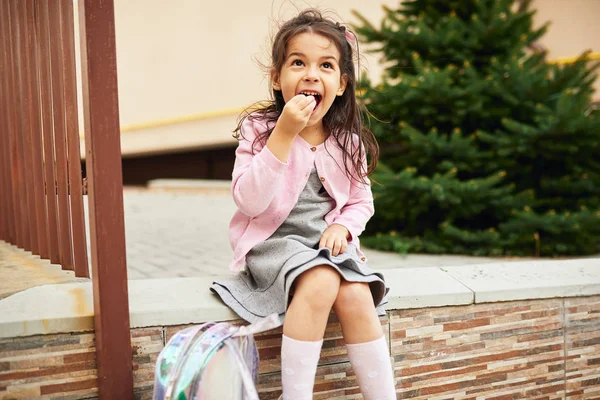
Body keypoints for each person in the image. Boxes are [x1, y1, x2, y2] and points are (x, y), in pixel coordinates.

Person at [211, 9, 396, 400]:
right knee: (322, 279)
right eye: (298, 63)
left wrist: (342, 227)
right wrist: (283, 135)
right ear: (277, 78)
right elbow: (249, 200)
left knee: (356, 293)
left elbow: (362, 201)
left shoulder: (349, 142)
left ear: (341, 85)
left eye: (326, 65)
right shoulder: (260, 132)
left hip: (326, 247)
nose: (312, 74)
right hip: (275, 245)